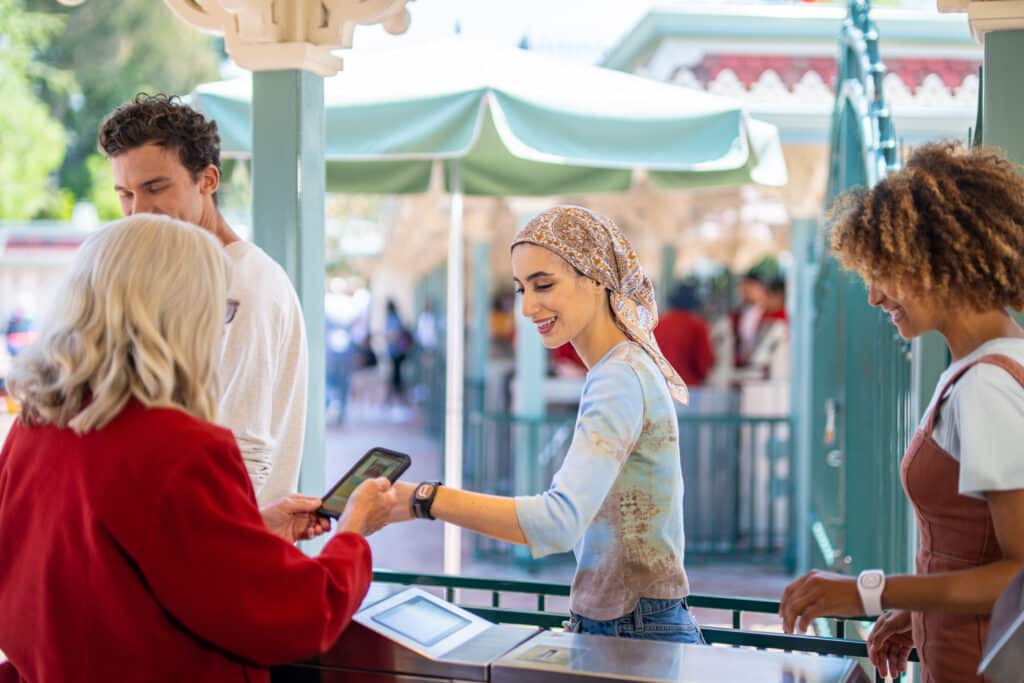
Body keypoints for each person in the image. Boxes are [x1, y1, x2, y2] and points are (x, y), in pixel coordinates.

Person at [0, 215, 395, 682]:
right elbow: (296, 617)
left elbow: (119, 566)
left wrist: (248, 529)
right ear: (178, 315)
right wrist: (352, 532)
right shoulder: (182, 449)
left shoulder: (35, 426)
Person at [389, 205, 701, 644]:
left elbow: (558, 523)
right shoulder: (621, 369)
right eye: (521, 289)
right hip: (629, 626)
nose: (528, 307)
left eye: (544, 285)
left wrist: (424, 500)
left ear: (596, 278)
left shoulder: (618, 378)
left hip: (632, 634)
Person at [778, 142, 1024, 683]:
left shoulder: (987, 385)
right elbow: (974, 556)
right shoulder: (983, 368)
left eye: (881, 271)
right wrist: (919, 611)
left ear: (935, 260)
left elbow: (1019, 574)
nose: (871, 297)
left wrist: (865, 591)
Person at [99, 93, 307, 506]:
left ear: (208, 180)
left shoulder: (244, 286)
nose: (139, 210)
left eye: (155, 187)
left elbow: (243, 454)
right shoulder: (174, 278)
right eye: (125, 193)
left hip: (217, 549)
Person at [653, 283, 715, 387]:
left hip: (660, 386)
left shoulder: (658, 323)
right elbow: (704, 362)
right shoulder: (697, 326)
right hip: (688, 388)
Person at [730, 269, 767, 369]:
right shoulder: (736, 316)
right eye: (743, 289)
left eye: (750, 288)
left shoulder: (769, 314)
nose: (745, 292)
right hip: (740, 367)